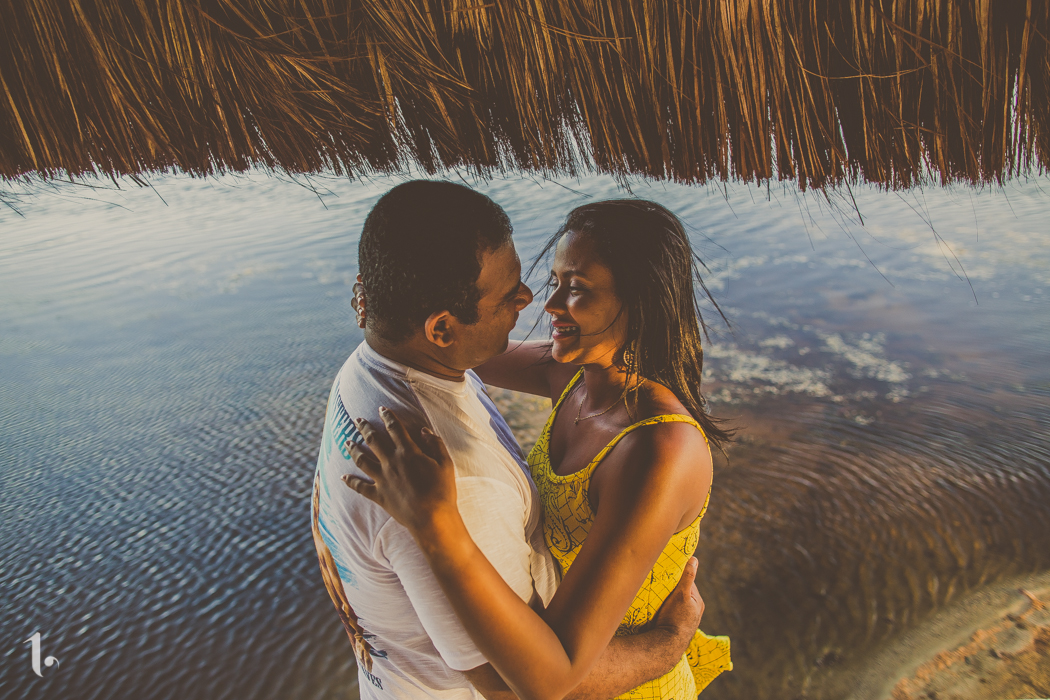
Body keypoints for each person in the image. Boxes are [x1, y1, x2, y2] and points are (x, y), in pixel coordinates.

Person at [312, 182, 705, 700]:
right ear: (440, 329)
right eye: (553, 282)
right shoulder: (464, 476)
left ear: (639, 304)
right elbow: (535, 683)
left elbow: (446, 339)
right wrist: (668, 643)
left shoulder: (364, 373)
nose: (539, 302)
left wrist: (381, 305)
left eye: (576, 288)